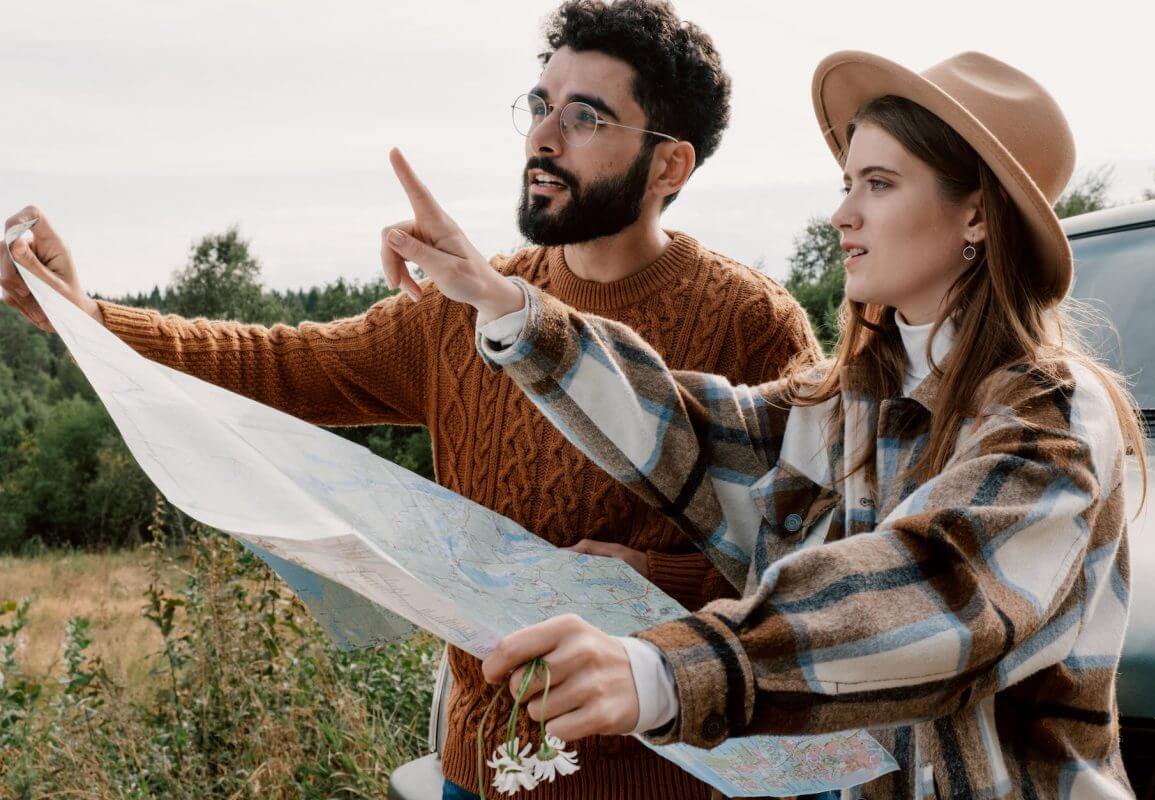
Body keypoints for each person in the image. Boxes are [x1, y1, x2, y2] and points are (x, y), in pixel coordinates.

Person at [0, 3, 822, 798]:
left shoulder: (751, 322)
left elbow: (819, 560)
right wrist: (89, 320)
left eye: (584, 117)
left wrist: (657, 575)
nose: (541, 137)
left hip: (673, 780)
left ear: (669, 165)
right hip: (475, 768)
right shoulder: (468, 306)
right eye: (540, 107)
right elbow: (280, 364)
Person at [370, 51, 1147, 798]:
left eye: (878, 183)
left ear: (975, 214)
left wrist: (661, 672)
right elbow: (693, 432)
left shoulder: (1051, 414)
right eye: (847, 182)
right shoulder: (850, 403)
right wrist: (499, 302)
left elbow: (941, 595)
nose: (842, 214)